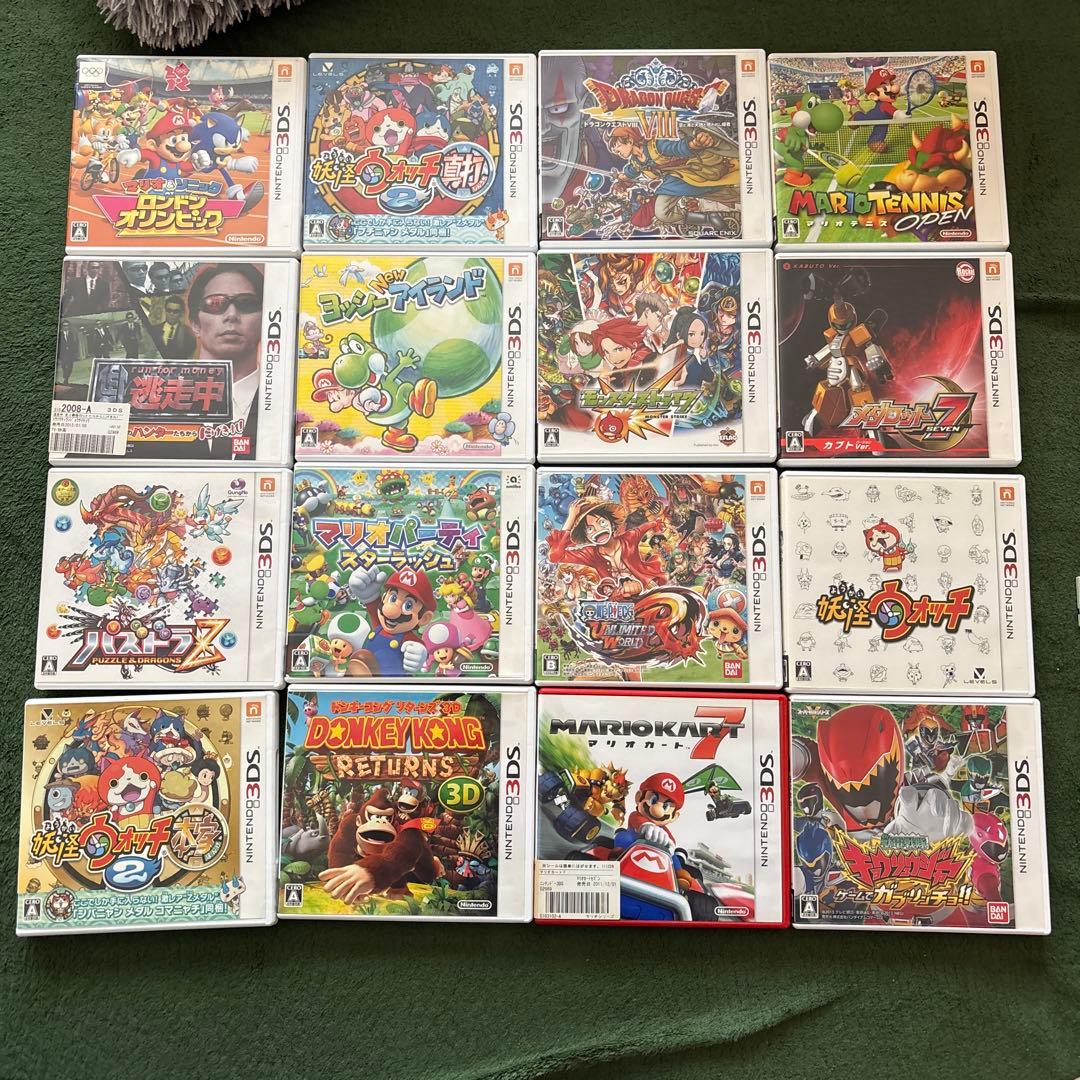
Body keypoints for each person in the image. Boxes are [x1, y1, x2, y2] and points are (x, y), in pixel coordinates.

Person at [665, 307, 712, 387]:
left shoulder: (692, 357)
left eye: (702, 333)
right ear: (678, 335)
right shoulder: (677, 357)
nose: (698, 339)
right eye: (691, 334)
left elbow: (709, 378)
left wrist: (704, 359)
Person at [57, 319, 81, 384]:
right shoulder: (60, 334)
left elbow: (74, 343)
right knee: (64, 366)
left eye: (67, 325)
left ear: (69, 326)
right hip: (63, 353)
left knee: (70, 367)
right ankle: (65, 377)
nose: (66, 327)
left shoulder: (71, 334)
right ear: (62, 326)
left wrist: (75, 351)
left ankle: (66, 378)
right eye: (64, 325)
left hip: (70, 353)